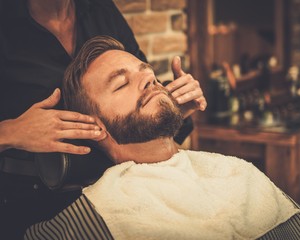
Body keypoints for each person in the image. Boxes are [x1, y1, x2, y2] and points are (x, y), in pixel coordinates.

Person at [25, 36, 300, 239]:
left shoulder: (236, 172)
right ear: (95, 126)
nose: (148, 79)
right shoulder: (99, 215)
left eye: (147, 72)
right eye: (121, 85)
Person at [0, 0, 205, 238]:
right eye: (119, 84)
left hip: (121, 182)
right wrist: (10, 132)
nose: (149, 79)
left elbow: (138, 88)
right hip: (31, 199)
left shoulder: (100, 9)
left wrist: (170, 105)